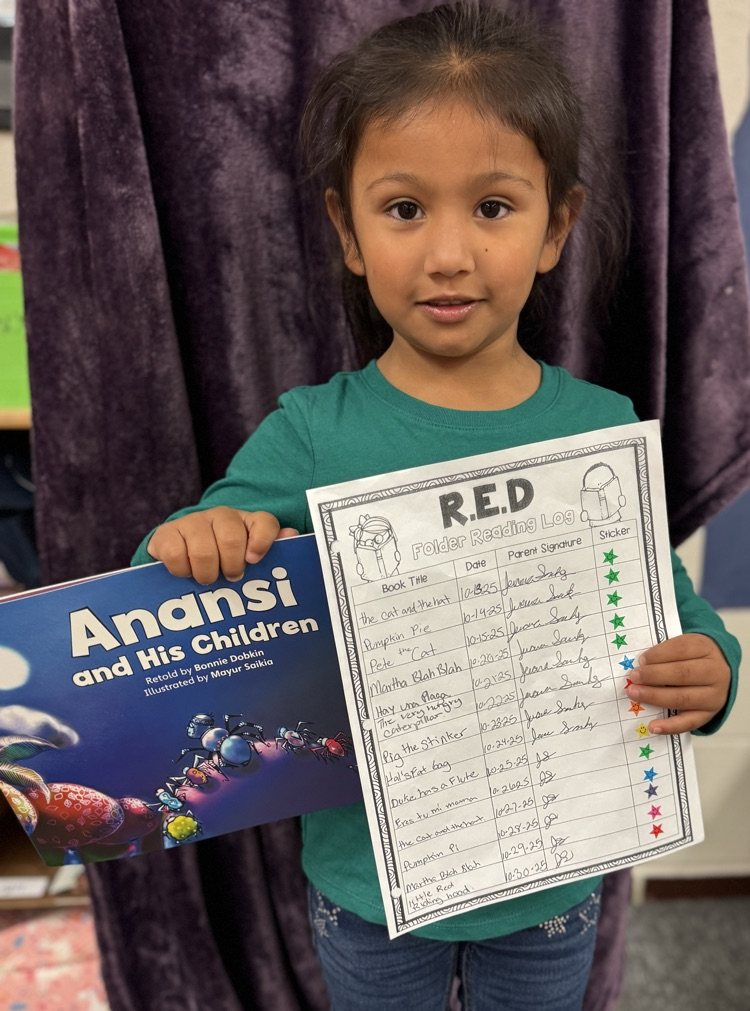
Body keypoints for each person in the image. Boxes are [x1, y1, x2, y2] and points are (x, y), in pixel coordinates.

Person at [133, 4, 740, 1008]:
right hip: (370, 891)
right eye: (405, 209)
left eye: (494, 207)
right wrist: (196, 538)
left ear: (557, 227)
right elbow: (172, 570)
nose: (449, 253)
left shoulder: (597, 429)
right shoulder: (312, 432)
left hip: (553, 884)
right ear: (349, 231)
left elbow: (674, 613)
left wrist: (709, 670)